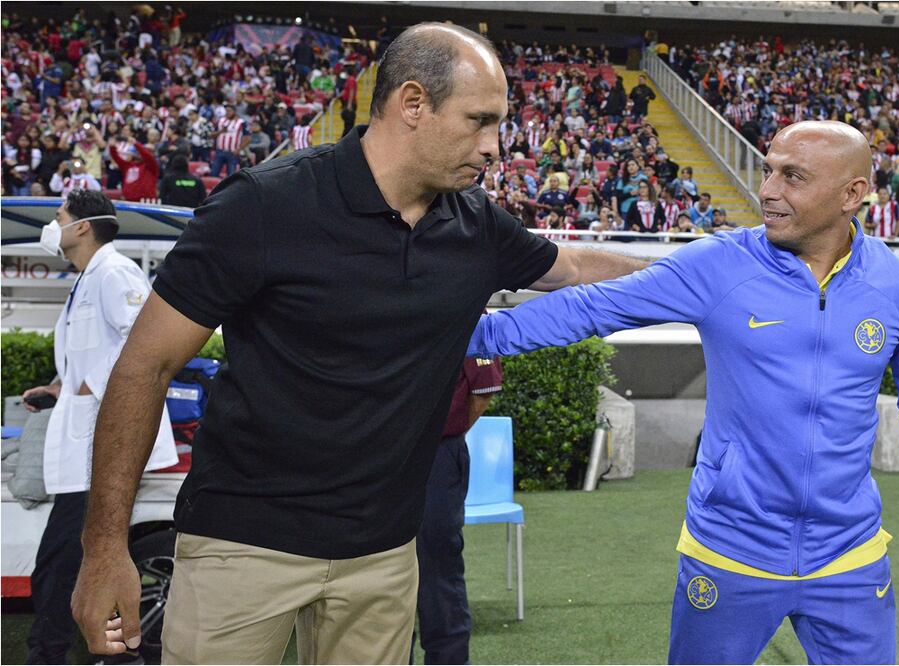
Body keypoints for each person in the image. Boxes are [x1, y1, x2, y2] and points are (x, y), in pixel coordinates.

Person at [71, 23, 648, 665]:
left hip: (385, 555)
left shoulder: (475, 225)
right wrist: (104, 548)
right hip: (243, 545)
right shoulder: (264, 205)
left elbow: (572, 267)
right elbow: (144, 367)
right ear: (412, 103)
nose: (494, 146)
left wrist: (708, 274)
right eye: (479, 121)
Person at [468, 121, 899, 665]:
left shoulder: (897, 284)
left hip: (850, 557)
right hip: (730, 549)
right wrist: (469, 337)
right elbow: (594, 307)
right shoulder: (721, 264)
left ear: (853, 194)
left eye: (793, 177)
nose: (768, 190)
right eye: (768, 171)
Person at [21, 190, 177, 664]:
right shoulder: (89, 277)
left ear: (82, 226)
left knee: (63, 562)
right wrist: (61, 386)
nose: (53, 226)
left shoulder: (114, 272)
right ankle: (111, 654)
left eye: (59, 216)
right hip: (87, 441)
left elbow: (144, 339)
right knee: (69, 562)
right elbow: (93, 350)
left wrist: (90, 383)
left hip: (105, 444)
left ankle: (53, 655)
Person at [414, 357, 503, 664]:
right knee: (379, 567)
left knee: (437, 567)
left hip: (437, 455)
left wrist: (442, 433)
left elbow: (483, 391)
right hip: (379, 456)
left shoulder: (465, 322)